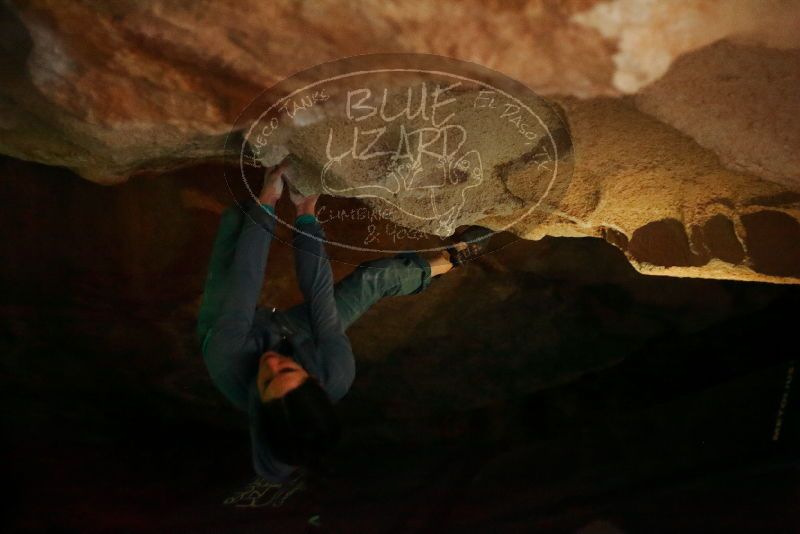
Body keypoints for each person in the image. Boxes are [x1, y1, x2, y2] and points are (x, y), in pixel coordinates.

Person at [197, 161, 492, 486]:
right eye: (288, 371)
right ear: (316, 382)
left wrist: (267, 200)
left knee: (236, 232)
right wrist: (306, 213)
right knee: (374, 279)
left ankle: (253, 203)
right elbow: (318, 293)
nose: (271, 363)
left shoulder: (226, 358)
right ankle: (452, 258)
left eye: (267, 382)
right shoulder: (335, 372)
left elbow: (246, 277)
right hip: (301, 336)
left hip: (235, 331)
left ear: (258, 403)